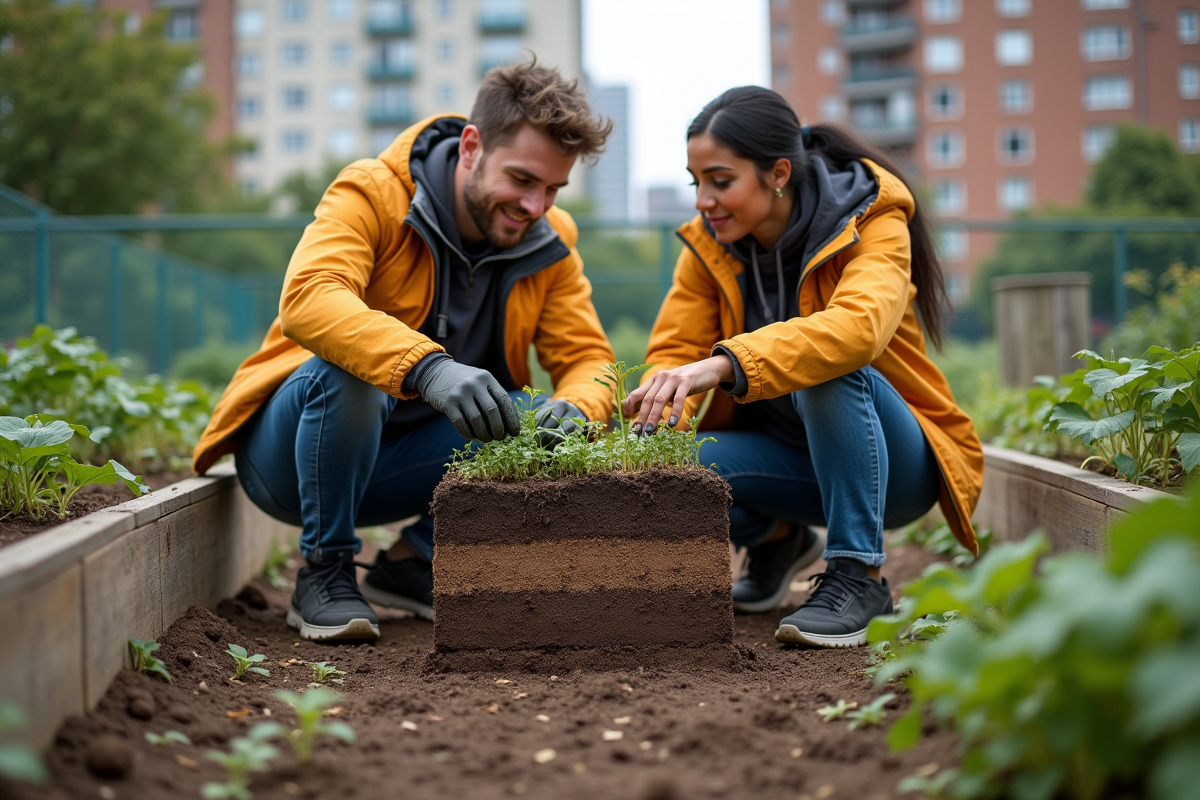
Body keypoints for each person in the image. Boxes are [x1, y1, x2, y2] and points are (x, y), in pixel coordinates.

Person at [191, 58, 617, 642]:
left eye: (552, 188)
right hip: (290, 460)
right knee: (351, 373)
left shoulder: (551, 241)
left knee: (542, 419)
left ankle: (413, 564)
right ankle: (325, 571)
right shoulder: (372, 192)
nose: (536, 206)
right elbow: (310, 297)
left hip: (403, 464)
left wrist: (580, 407)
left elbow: (589, 360)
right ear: (471, 146)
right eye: (521, 179)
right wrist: (426, 366)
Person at [624, 86, 983, 648]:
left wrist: (721, 366)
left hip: (896, 470)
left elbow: (856, 332)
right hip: (791, 463)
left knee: (830, 368)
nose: (703, 201)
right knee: (668, 467)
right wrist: (660, 405)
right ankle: (777, 538)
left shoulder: (871, 220)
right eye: (697, 183)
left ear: (778, 173)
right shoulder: (708, 247)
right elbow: (675, 349)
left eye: (721, 181)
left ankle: (858, 577)